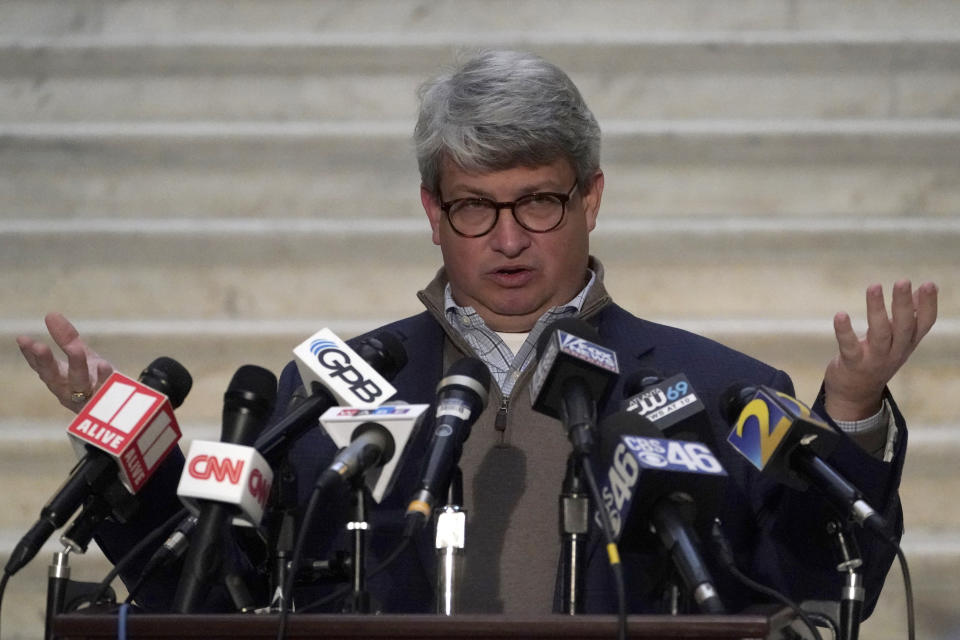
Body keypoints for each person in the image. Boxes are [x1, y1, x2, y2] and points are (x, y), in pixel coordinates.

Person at [17, 50, 937, 617]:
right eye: (473, 207)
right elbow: (219, 594)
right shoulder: (333, 389)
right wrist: (134, 458)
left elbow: (810, 575)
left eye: (537, 201)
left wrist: (849, 414)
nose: (505, 238)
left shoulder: (715, 388)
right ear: (430, 209)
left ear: (591, 198)